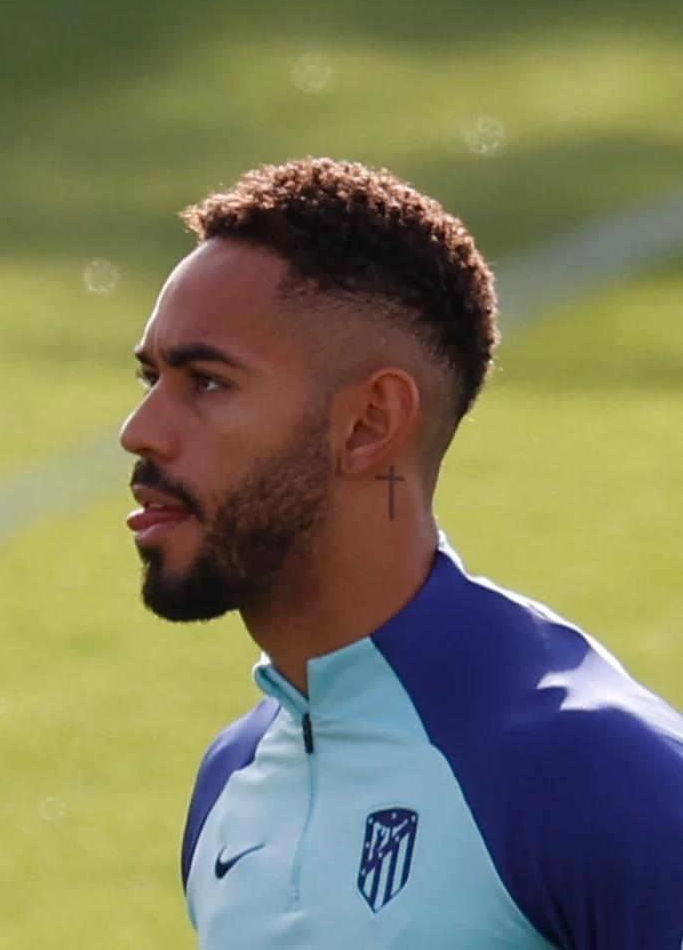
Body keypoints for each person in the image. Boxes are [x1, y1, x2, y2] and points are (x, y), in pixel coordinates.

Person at [119, 158, 683, 947]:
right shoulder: (234, 779)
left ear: (369, 423)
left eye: (206, 381)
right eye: (149, 376)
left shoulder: (599, 776)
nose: (139, 430)